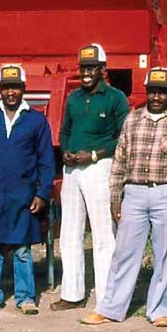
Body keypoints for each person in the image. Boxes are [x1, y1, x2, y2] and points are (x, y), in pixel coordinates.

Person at [80, 67, 167, 327]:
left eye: (162, 92)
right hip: (135, 192)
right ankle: (111, 308)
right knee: (124, 252)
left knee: (165, 253)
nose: (156, 97)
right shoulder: (133, 119)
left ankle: (159, 310)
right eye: (152, 91)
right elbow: (120, 159)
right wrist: (116, 197)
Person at [0, 64, 55, 315]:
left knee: (22, 248)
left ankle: (26, 297)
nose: (11, 92)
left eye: (15, 87)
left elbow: (46, 160)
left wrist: (42, 193)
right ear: (0, 89)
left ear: (23, 88)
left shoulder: (36, 120)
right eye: (6, 87)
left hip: (23, 195)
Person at [51, 43, 130, 312]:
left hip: (99, 167)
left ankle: (107, 296)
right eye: (83, 67)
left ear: (102, 69)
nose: (86, 72)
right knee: (69, 231)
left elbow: (123, 138)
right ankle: (72, 293)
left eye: (91, 67)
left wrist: (94, 154)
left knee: (104, 232)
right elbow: (64, 130)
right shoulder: (73, 97)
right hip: (72, 170)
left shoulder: (115, 98)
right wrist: (66, 152)